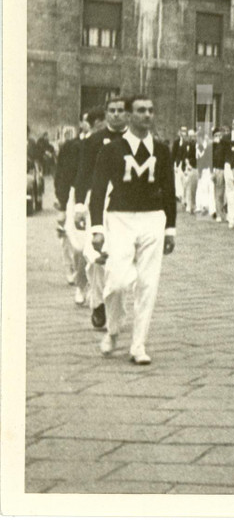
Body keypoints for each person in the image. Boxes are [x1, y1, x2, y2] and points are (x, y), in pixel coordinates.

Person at [89, 94, 176, 365]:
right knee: (115, 282)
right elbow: (99, 190)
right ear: (128, 115)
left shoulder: (162, 150)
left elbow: (169, 191)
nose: (147, 115)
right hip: (120, 218)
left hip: (153, 218)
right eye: (141, 111)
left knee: (148, 284)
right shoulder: (112, 150)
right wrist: (97, 227)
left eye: (150, 110)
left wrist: (170, 228)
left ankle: (138, 344)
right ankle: (113, 330)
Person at [73, 95, 131, 330]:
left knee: (122, 260)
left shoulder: (136, 140)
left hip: (127, 205)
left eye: (120, 111)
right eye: (112, 110)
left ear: (127, 114)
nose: (116, 114)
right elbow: (84, 173)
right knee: (98, 257)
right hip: (99, 203)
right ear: (106, 114)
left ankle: (116, 309)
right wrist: (79, 205)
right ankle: (98, 304)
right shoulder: (95, 140)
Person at [55, 112, 92, 306]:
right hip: (74, 196)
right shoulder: (70, 147)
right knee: (78, 245)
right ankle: (80, 282)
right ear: (81, 123)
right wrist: (61, 205)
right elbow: (61, 175)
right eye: (87, 121)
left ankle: (93, 288)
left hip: (99, 196)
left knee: (95, 246)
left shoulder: (106, 146)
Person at [211, 127, 228, 222]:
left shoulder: (225, 145)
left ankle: (225, 212)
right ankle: (219, 213)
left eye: (220, 135)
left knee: (227, 194)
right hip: (218, 170)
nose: (218, 137)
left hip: (226, 169)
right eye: (216, 135)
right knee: (219, 193)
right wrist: (213, 171)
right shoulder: (213, 147)